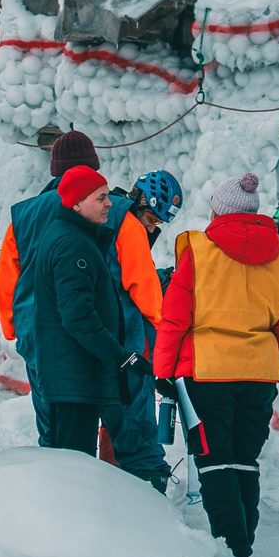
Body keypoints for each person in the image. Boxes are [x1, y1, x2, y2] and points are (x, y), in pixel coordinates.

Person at [155, 173, 279, 557]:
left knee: (214, 460)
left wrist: (163, 370)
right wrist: (277, 363)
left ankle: (232, 549)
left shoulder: (199, 252)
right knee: (243, 460)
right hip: (259, 374)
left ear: (218, 210)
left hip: (206, 371)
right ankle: (242, 544)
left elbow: (175, 318)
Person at [0, 132, 158, 448]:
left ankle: (64, 492)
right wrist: (161, 331)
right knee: (131, 434)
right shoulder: (120, 212)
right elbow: (143, 282)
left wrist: (15, 329)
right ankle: (140, 489)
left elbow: (7, 281)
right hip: (112, 344)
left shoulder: (23, 215)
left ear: (55, 169)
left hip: (41, 343)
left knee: (56, 436)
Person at [98, 170, 180, 490]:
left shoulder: (107, 215)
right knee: (134, 406)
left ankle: (106, 469)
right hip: (125, 337)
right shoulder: (128, 224)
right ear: (139, 201)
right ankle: (146, 478)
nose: (150, 226)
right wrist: (164, 346)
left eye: (157, 223)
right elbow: (145, 293)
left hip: (97, 331)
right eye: (150, 217)